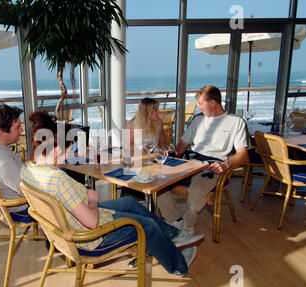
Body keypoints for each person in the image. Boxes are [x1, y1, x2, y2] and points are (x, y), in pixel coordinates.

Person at [20, 111, 204, 276]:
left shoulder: (28, 169)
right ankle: (180, 264)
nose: (72, 154)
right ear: (58, 149)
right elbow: (92, 222)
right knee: (147, 225)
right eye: (71, 149)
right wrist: (91, 199)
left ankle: (174, 236)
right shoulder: (58, 180)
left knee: (128, 203)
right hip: (88, 238)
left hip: (71, 221)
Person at [157, 85, 249, 241]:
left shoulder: (235, 122)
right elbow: (182, 145)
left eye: (200, 103)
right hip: (190, 161)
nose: (198, 107)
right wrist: (172, 151)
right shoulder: (198, 119)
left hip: (212, 166)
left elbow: (242, 154)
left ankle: (187, 229)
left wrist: (226, 164)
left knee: (196, 191)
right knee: (158, 183)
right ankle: (175, 221)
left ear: (213, 102)